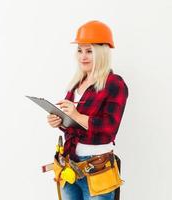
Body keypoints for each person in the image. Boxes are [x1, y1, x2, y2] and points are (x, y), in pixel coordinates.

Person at [47, 20, 128, 200]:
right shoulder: (76, 83)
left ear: (102, 53)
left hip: (97, 168)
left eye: (89, 51)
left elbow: (109, 127)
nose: (83, 56)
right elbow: (73, 125)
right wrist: (59, 122)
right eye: (80, 50)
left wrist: (76, 115)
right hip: (69, 165)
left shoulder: (114, 83)